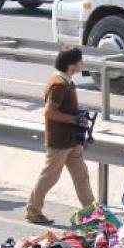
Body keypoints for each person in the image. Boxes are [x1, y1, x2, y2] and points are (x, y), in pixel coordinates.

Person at [25, 48, 95, 225]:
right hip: (60, 142)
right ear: (72, 64)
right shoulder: (59, 84)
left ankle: (92, 215)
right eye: (80, 61)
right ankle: (33, 211)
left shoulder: (66, 82)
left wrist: (78, 116)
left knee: (82, 176)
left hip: (71, 140)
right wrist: (73, 119)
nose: (82, 64)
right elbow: (49, 112)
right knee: (49, 177)